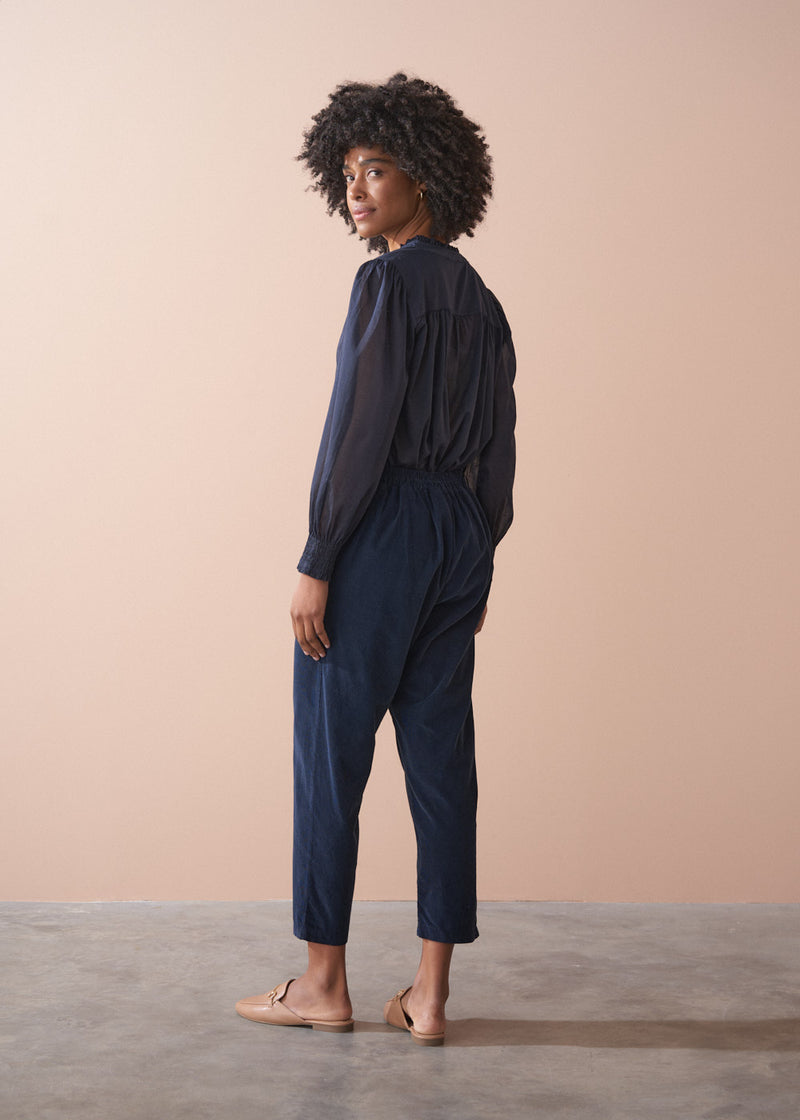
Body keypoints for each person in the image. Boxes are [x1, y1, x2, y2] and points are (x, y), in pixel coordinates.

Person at [236, 73, 516, 1046]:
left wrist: (319, 555)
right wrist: (476, 553)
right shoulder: (483, 303)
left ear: (424, 175)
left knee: (330, 751)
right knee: (441, 763)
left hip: (380, 527)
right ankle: (430, 997)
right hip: (456, 539)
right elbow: (500, 445)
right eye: (347, 173)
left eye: (376, 169)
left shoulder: (385, 283)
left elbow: (358, 429)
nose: (357, 189)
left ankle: (322, 983)